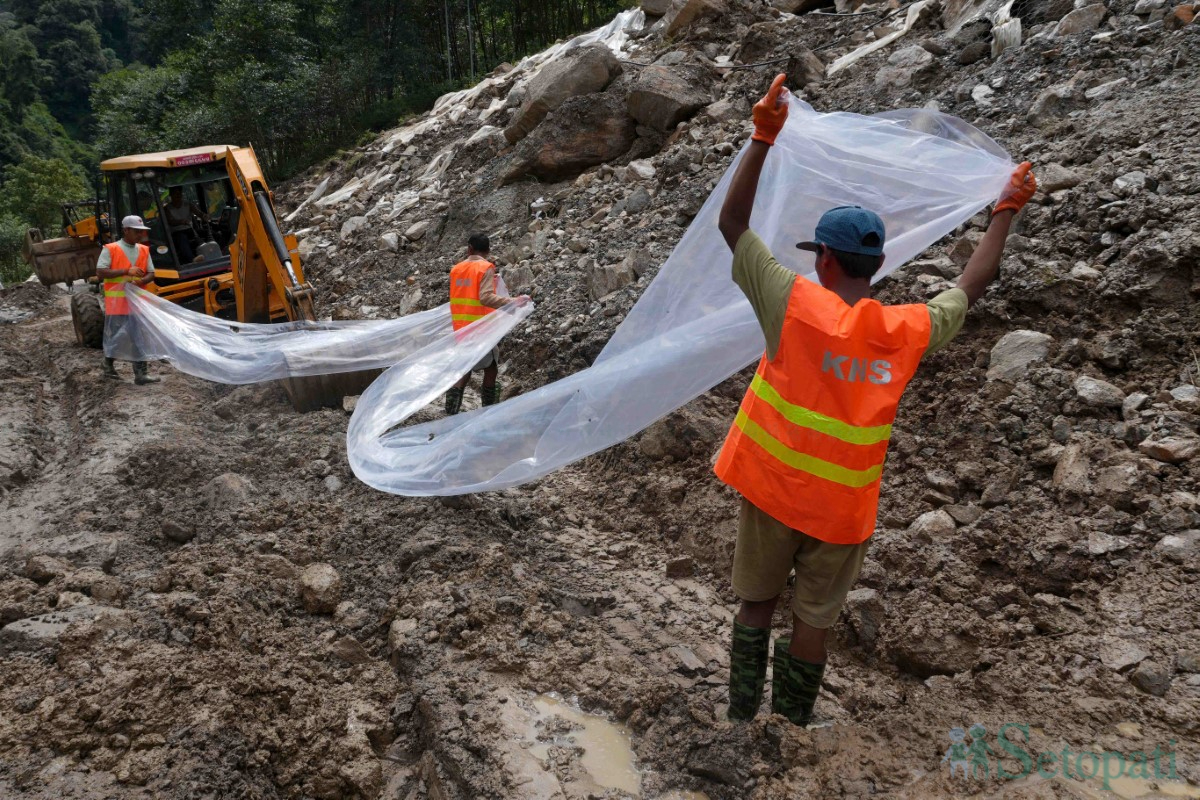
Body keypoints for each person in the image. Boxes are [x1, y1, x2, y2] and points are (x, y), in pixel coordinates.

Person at [716, 74, 1036, 725]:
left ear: (824, 261)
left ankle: (743, 717)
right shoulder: (904, 330)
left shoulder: (791, 302)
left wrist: (762, 136)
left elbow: (732, 222)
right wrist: (1005, 211)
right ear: (877, 263)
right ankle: (794, 725)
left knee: (757, 604)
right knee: (813, 621)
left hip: (774, 488)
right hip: (841, 509)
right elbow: (973, 284)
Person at [444, 234, 526, 414]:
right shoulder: (485, 267)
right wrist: (514, 301)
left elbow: (467, 293)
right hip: (481, 328)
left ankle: (451, 410)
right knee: (491, 368)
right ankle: (488, 412)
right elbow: (485, 297)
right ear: (488, 251)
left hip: (461, 327)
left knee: (466, 368)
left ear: (469, 249)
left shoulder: (456, 269)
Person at [96, 215, 160, 384]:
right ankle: (107, 365)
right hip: (117, 304)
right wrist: (126, 271)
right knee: (117, 337)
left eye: (142, 232)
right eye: (137, 231)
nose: (140, 235)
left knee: (139, 337)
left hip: (137, 304)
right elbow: (101, 272)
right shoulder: (111, 249)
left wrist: (142, 281)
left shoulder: (144, 250)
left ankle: (141, 374)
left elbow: (151, 273)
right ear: (126, 230)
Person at [164, 185, 209, 264]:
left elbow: (199, 213)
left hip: (190, 229)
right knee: (182, 238)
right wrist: (181, 221)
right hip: (177, 232)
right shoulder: (167, 208)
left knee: (208, 233)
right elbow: (170, 221)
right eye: (175, 194)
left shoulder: (188, 204)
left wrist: (204, 216)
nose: (178, 196)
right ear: (171, 195)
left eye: (179, 194)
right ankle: (192, 260)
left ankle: (214, 253)